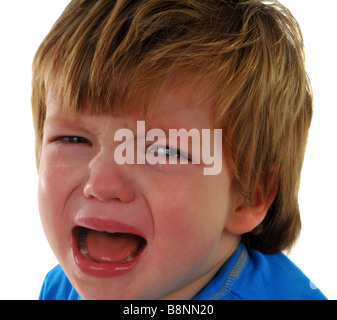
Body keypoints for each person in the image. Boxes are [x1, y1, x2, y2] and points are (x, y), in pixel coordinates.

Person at [32, 0, 326, 300]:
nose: (101, 184)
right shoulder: (58, 289)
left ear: (250, 195)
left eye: (162, 150)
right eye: (73, 140)